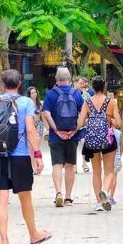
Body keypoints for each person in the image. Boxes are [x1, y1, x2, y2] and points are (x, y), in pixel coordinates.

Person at [0, 68, 52, 244]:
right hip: (20, 156)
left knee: (1, 197)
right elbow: (30, 130)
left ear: (3, 84)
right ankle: (34, 234)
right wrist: (37, 154)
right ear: (19, 84)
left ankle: (4, 241)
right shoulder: (26, 103)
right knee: (25, 197)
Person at [42, 67, 85, 207]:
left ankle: (58, 193)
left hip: (56, 136)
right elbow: (84, 114)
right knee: (70, 166)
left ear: (56, 79)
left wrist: (55, 129)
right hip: (72, 136)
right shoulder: (76, 93)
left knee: (56, 165)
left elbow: (46, 113)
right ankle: (68, 197)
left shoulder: (50, 94)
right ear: (70, 78)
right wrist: (75, 130)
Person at [77, 76, 121, 212]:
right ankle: (106, 192)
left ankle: (98, 202)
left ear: (93, 87)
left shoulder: (87, 102)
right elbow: (119, 124)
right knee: (109, 171)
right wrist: (111, 121)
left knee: (96, 172)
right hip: (108, 140)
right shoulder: (111, 102)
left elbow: (79, 124)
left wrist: (91, 121)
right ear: (104, 87)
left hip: (92, 141)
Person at [74, 77, 94, 173]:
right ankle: (74, 166)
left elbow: (91, 110)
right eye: (80, 83)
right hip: (73, 124)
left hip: (84, 124)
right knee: (73, 145)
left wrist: (88, 119)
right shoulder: (70, 95)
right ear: (75, 84)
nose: (82, 85)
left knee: (84, 142)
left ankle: (84, 163)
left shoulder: (87, 96)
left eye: (83, 83)